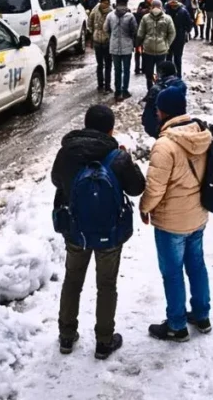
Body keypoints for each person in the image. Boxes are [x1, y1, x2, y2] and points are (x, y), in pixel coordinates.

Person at [52, 104, 145, 358]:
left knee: (72, 281)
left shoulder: (68, 152)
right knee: (106, 285)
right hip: (109, 233)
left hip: (76, 231)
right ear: (110, 129)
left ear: (85, 124)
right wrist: (129, 161)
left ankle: (66, 336)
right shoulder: (117, 157)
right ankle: (104, 341)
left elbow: (56, 180)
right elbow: (137, 187)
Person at [140, 87, 213, 343]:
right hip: (198, 214)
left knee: (172, 273)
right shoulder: (202, 133)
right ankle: (202, 315)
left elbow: (155, 188)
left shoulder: (165, 145)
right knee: (197, 265)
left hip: (172, 222)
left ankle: (176, 325)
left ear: (162, 111)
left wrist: (144, 208)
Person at [135, 0, 176, 91]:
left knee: (149, 73)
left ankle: (150, 91)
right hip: (162, 50)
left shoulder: (145, 18)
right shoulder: (167, 18)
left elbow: (140, 34)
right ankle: (159, 91)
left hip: (148, 50)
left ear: (151, 7)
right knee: (160, 72)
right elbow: (172, 33)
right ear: (161, 7)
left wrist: (141, 44)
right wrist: (166, 44)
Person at [104, 0, 139, 100]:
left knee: (117, 70)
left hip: (114, 46)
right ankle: (125, 91)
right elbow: (134, 31)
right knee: (126, 70)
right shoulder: (130, 16)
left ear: (117, 3)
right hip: (127, 46)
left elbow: (105, 28)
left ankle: (117, 91)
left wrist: (113, 35)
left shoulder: (110, 15)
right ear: (126, 4)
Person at [142, 60, 187, 138]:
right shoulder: (181, 86)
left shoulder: (157, 89)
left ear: (161, 74)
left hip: (160, 126)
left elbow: (149, 111)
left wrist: (145, 122)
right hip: (179, 124)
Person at [88, 0, 114, 93]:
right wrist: (92, 33)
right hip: (97, 41)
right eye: (104, 3)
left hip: (107, 41)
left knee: (108, 64)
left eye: (107, 3)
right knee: (100, 64)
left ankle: (107, 85)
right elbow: (89, 23)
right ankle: (100, 85)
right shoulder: (95, 11)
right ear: (101, 2)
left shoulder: (111, 12)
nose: (105, 5)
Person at [165, 0, 193, 78]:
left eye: (174, 1)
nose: (172, 3)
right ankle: (169, 76)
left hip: (179, 37)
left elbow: (189, 23)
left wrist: (185, 32)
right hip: (168, 37)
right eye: (171, 1)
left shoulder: (183, 11)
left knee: (177, 58)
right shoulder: (166, 10)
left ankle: (178, 76)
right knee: (168, 58)